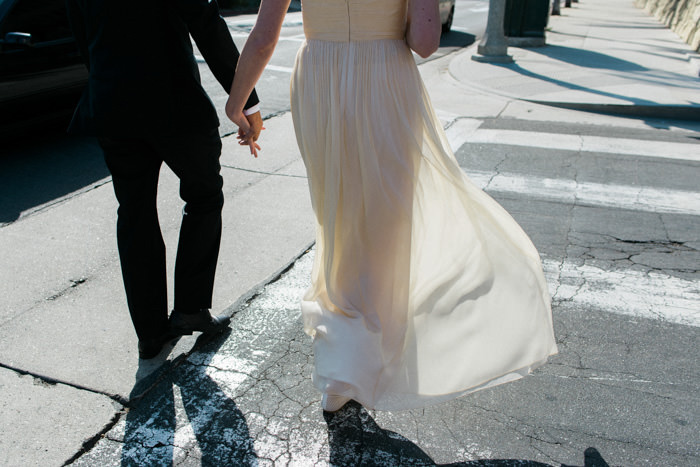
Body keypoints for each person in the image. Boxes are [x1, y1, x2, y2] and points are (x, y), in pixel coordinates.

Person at [227, 0, 558, 412]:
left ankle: (342, 366)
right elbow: (423, 42)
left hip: (319, 78)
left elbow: (263, 38)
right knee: (386, 223)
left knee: (338, 220)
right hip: (383, 77)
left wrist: (236, 102)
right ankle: (365, 358)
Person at [66, 0, 264, 359]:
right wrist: (246, 102)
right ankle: (190, 307)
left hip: (112, 104)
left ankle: (151, 334)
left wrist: (106, 81)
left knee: (134, 212)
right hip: (175, 103)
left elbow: (81, 33)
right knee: (204, 195)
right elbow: (205, 23)